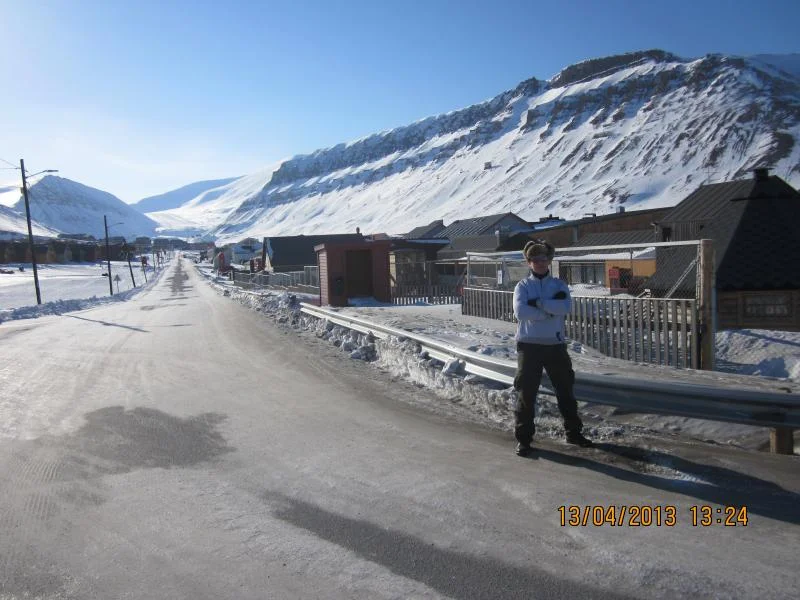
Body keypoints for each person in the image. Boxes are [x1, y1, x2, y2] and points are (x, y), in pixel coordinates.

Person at [512, 239, 592, 456]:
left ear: (549, 260)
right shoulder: (522, 286)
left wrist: (537, 303)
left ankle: (573, 433)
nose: (539, 263)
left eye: (543, 258)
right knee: (526, 394)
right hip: (528, 347)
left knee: (565, 391)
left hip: (555, 346)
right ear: (529, 262)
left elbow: (565, 307)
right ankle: (524, 439)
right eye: (535, 259)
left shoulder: (559, 285)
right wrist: (549, 309)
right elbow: (521, 312)